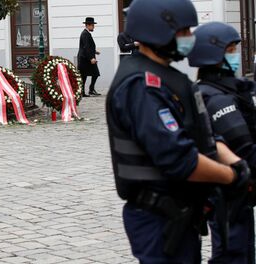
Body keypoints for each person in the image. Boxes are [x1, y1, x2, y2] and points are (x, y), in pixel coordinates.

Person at [106, 0, 251, 262]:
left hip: (179, 211)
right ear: (157, 31)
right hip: (157, 216)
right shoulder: (141, 85)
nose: (190, 38)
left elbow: (204, 137)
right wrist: (230, 176)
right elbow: (179, 159)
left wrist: (237, 164)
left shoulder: (168, 78)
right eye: (184, 32)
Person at [188, 21, 256, 264]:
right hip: (228, 193)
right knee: (232, 255)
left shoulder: (219, 90)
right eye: (231, 50)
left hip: (235, 192)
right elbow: (244, 148)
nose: (236, 54)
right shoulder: (216, 98)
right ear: (213, 54)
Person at [77, 17, 101, 97]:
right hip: (85, 58)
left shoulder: (86, 33)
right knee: (84, 75)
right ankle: (83, 92)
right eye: (93, 25)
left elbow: (88, 47)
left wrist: (95, 52)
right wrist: (91, 58)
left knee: (94, 73)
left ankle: (90, 90)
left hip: (86, 57)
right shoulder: (85, 34)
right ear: (88, 25)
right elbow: (86, 47)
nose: (94, 27)